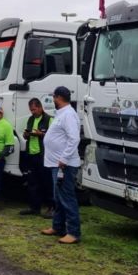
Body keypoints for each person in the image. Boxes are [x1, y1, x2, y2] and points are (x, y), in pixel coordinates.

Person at [40, 86, 82, 245]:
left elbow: (74, 138)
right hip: (56, 163)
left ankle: (73, 232)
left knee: (67, 198)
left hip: (65, 165)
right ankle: (58, 226)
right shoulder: (61, 114)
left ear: (58, 97)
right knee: (58, 198)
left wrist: (64, 158)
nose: (53, 100)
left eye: (54, 97)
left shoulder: (69, 114)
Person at [20, 98, 55, 217]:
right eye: (31, 110)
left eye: (34, 109)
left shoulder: (49, 119)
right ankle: (34, 207)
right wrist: (26, 134)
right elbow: (26, 136)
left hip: (43, 155)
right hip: (31, 154)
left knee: (47, 182)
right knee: (32, 182)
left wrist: (41, 134)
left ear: (40, 107)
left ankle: (51, 207)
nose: (33, 112)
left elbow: (53, 137)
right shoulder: (31, 119)